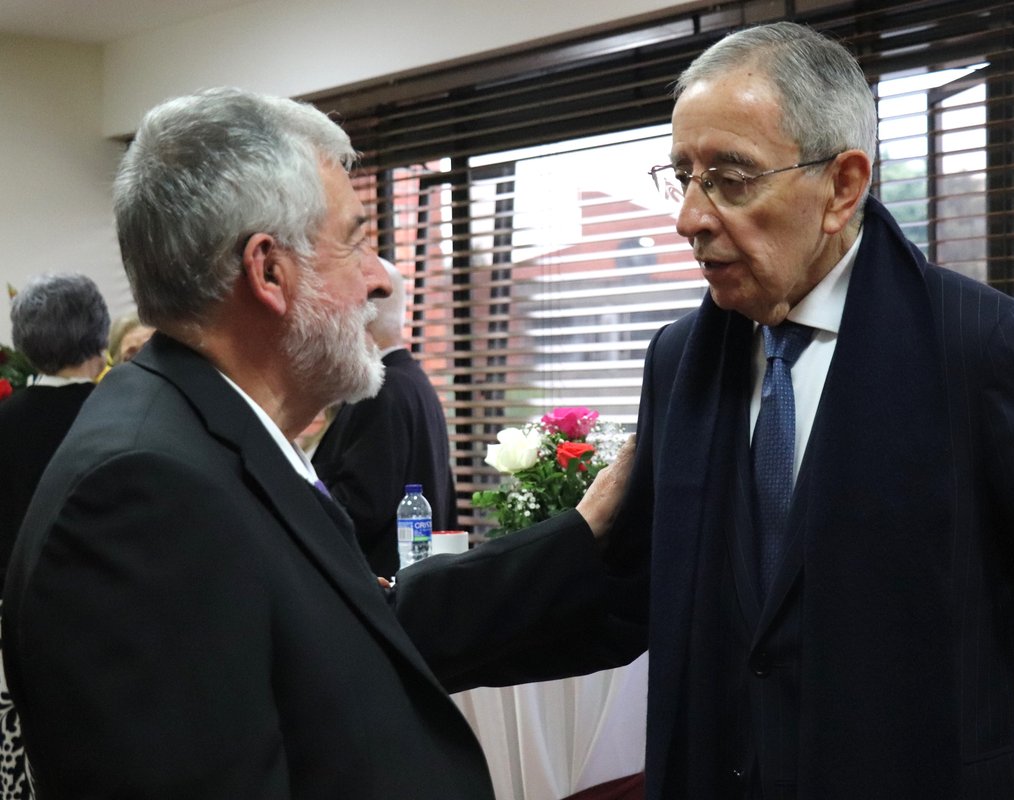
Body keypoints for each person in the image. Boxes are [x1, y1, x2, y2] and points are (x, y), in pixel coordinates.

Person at [595, 21, 1014, 800]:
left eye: (731, 178)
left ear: (842, 186)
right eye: (683, 175)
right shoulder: (679, 360)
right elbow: (644, 599)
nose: (690, 219)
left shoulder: (981, 347)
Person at [2, 87, 632, 799]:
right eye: (357, 240)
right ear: (268, 271)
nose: (377, 278)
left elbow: (358, 627)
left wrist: (583, 534)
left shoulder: (209, 429)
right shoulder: (143, 493)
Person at [0, 271, 109, 800]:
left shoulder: (5, 421)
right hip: (103, 632)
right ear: (100, 334)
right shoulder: (117, 420)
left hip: (16, 631)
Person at [314, 257, 458, 577]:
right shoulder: (415, 383)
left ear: (362, 312)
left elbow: (360, 508)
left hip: (382, 589)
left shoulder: (382, 390)